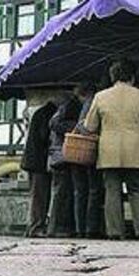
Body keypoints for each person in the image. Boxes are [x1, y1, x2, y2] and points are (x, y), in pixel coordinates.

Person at [85, 60, 139, 241]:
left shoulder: (101, 96)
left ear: (112, 77)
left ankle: (115, 232)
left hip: (109, 149)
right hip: (134, 148)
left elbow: (90, 126)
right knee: (137, 189)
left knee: (112, 190)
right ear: (132, 77)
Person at [72, 82, 105, 239]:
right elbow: (86, 126)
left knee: (81, 192)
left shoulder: (87, 102)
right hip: (89, 151)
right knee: (93, 190)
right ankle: (90, 228)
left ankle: (81, 228)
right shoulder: (93, 101)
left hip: (78, 151)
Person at [47, 93, 82, 238]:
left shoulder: (56, 118)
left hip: (56, 158)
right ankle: (60, 228)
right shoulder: (68, 124)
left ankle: (54, 227)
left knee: (59, 194)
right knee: (64, 195)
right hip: (64, 158)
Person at [21, 101, 57, 238]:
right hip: (39, 162)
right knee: (40, 196)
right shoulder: (48, 113)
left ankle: (32, 227)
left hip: (32, 161)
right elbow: (44, 136)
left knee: (37, 196)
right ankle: (36, 227)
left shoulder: (40, 112)